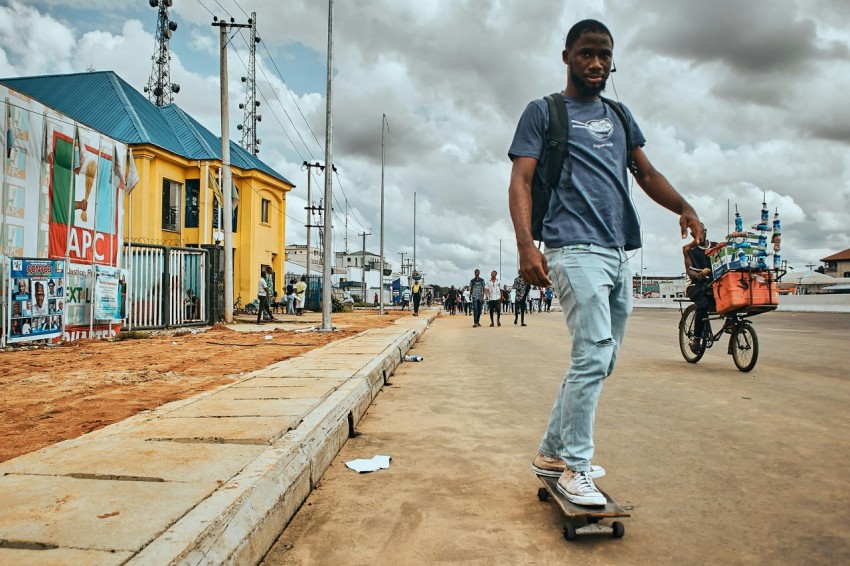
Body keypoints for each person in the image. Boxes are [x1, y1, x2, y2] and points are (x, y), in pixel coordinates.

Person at [508, 19, 702, 507]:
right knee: (592, 353)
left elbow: (647, 171)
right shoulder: (544, 112)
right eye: (586, 53)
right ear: (567, 56)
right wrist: (526, 246)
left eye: (604, 55)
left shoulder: (618, 114)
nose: (596, 63)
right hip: (571, 248)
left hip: (618, 251)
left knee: (601, 358)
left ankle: (553, 454)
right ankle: (576, 467)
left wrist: (684, 206)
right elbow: (521, 181)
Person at [684, 224, 718, 352]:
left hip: (714, 283)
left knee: (731, 300)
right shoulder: (688, 249)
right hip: (695, 284)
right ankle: (697, 338)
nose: (700, 234)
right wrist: (698, 274)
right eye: (696, 232)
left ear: (705, 231)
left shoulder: (716, 246)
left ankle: (733, 327)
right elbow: (689, 270)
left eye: (702, 231)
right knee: (703, 304)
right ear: (692, 235)